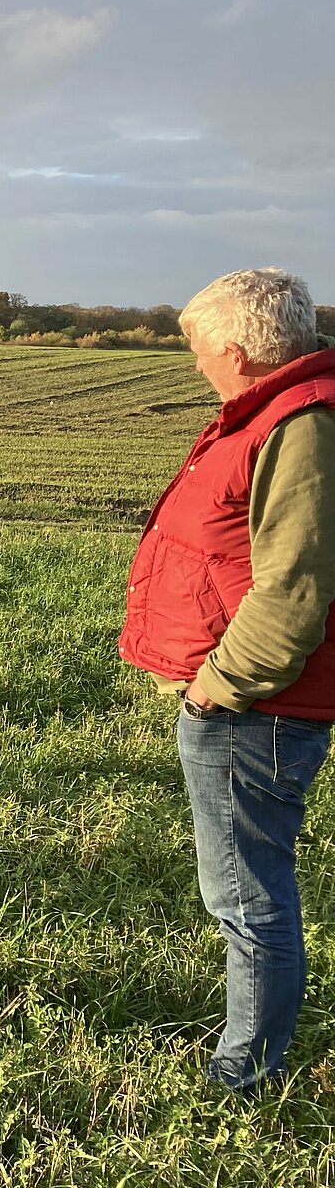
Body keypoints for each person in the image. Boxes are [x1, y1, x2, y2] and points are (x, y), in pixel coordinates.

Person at [119, 268, 335, 1096]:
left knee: (249, 899)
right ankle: (251, 1058)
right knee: (246, 891)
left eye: (202, 353)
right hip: (251, 699)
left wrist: (221, 684)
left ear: (240, 353)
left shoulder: (303, 424)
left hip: (257, 706)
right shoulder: (278, 411)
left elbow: (296, 585)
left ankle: (244, 1079)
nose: (198, 367)